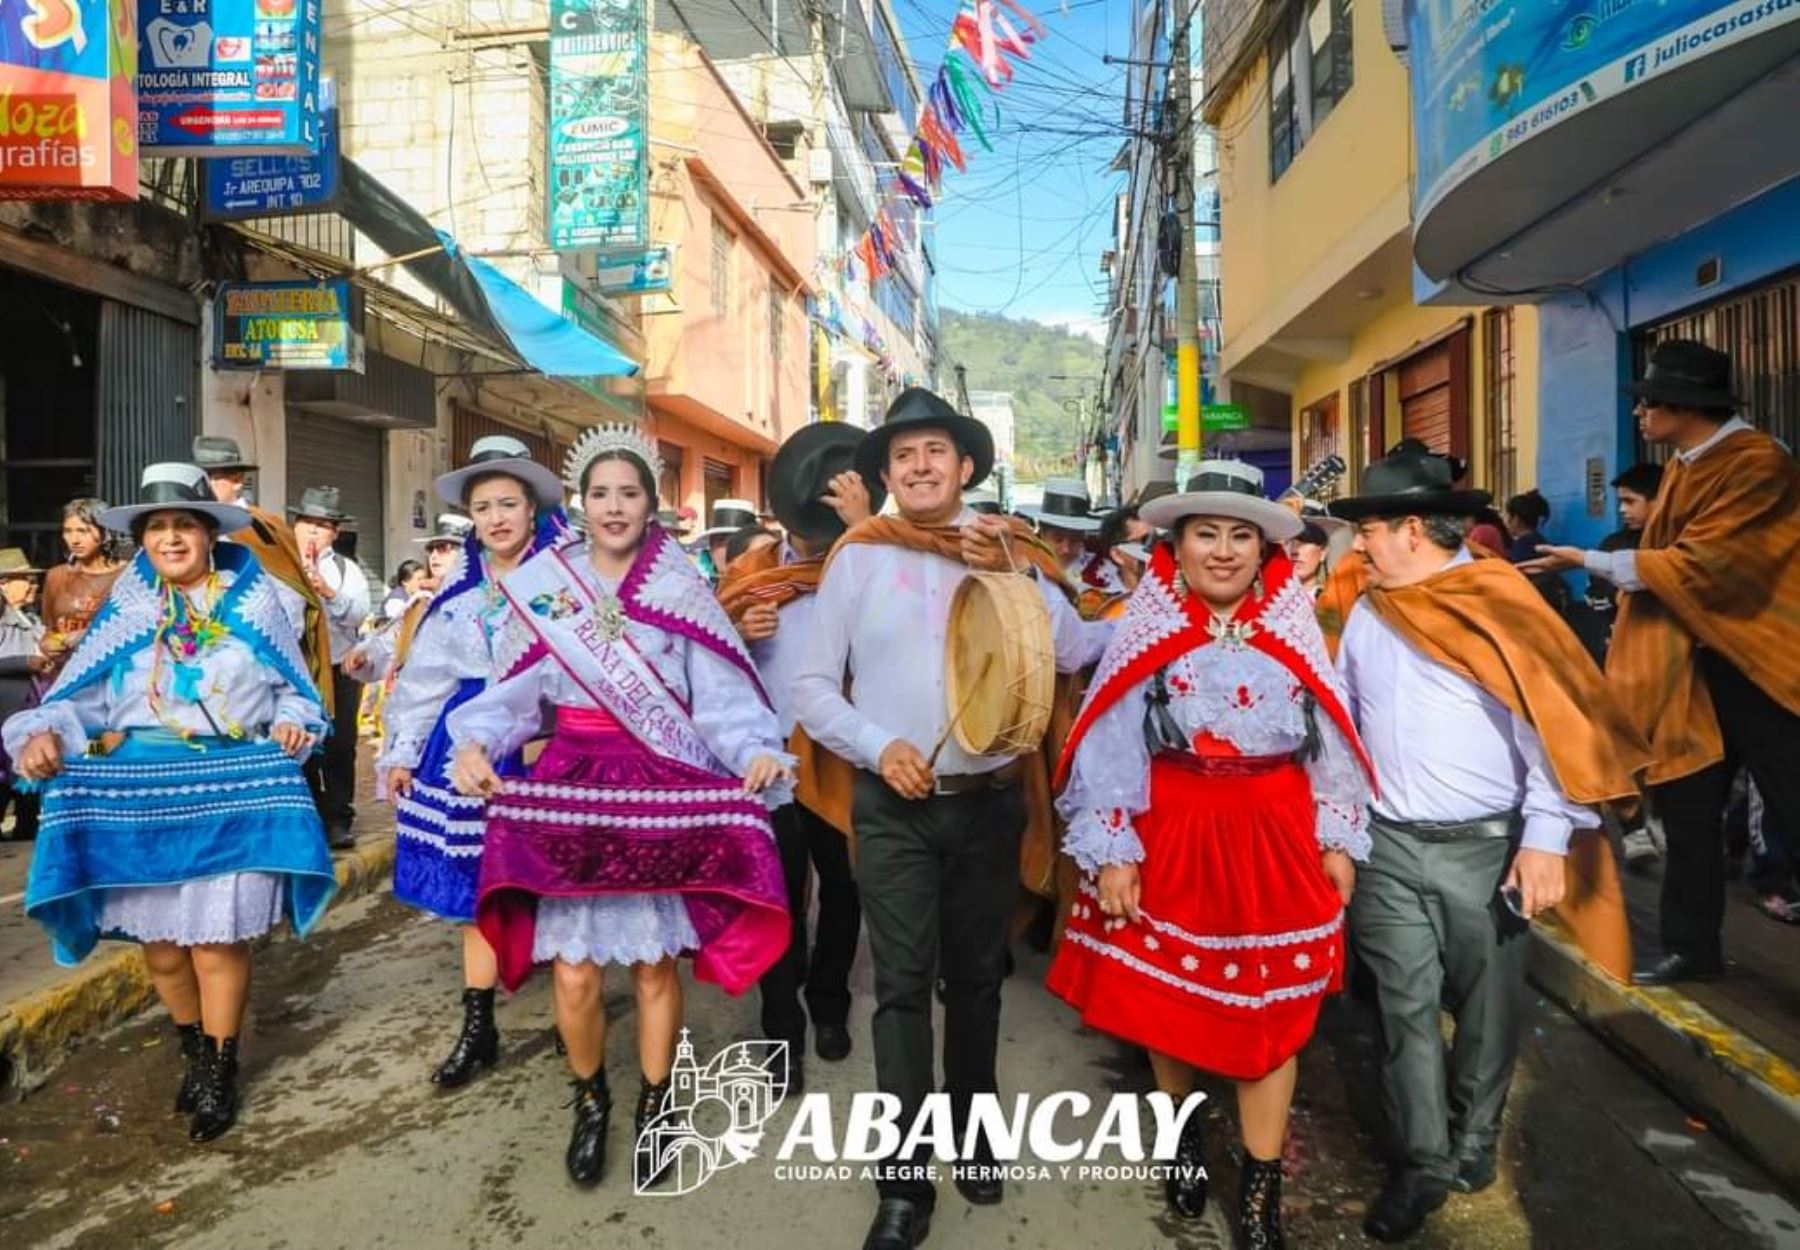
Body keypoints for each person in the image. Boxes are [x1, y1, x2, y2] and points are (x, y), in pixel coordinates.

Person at [792, 388, 1110, 1250]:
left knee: (974, 981)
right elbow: (813, 687)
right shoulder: (858, 556)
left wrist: (1017, 577)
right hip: (894, 807)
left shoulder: (1010, 553)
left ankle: (973, 1137)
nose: (920, 467)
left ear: (966, 466)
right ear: (886, 474)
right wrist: (875, 742)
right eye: (904, 456)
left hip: (990, 803)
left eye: (935, 451)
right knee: (899, 988)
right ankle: (904, 1181)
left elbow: (1080, 650)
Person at [446, 425, 791, 1188]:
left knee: (652, 968)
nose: (613, 507)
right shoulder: (545, 584)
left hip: (658, 785)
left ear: (652, 503)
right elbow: (512, 698)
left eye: (628, 493)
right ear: (579, 501)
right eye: (599, 493)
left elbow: (723, 701)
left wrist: (753, 750)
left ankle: (658, 1105)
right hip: (572, 783)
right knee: (571, 975)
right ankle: (591, 1097)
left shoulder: (680, 587)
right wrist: (474, 743)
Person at [1046, 461, 1375, 1245]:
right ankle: (1183, 1133)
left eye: (1240, 536)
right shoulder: (1146, 630)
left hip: (1276, 832)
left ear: (1263, 550)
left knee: (1276, 1013)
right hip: (1175, 827)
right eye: (1206, 534)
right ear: (1178, 546)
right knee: (1172, 1005)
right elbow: (1114, 737)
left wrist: (1336, 834)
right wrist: (1115, 846)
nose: (1223, 551)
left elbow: (1328, 734)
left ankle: (1261, 1192)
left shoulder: (1295, 627)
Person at [1330, 446, 1648, 1241]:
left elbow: (1549, 726)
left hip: (1488, 848)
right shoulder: (1369, 612)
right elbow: (1345, 723)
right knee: (1401, 1009)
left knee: (1488, 1007)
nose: (1357, 546)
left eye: (1367, 531)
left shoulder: (1499, 599)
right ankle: (1422, 1163)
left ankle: (1474, 1139)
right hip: (1388, 847)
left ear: (1410, 529)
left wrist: (1544, 839)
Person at [4, 463, 336, 1143]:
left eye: (186, 523)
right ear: (143, 540)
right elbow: (78, 703)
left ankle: (219, 1066)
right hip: (142, 789)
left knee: (216, 941)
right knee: (161, 952)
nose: (172, 537)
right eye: (158, 527)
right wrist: (42, 734)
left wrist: (296, 723)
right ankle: (190, 1043)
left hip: (236, 781)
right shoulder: (126, 610)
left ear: (210, 532)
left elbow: (297, 691)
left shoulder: (259, 602)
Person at [1523, 339, 1800, 986]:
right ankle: (1691, 950)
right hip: (1691, 663)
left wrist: (1585, 560)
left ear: (1685, 405)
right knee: (1688, 807)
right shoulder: (1684, 463)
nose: (1640, 414)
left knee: (1792, 806)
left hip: (1759, 662)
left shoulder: (1758, 463)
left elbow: (1707, 566)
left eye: (1648, 402)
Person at [374, 436, 567, 1090]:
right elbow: (425, 679)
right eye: (483, 507)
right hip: (461, 748)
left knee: (555, 886)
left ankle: (578, 1015)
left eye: (508, 503)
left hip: (544, 745)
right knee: (474, 894)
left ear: (533, 508)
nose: (496, 518)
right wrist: (402, 750)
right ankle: (479, 1026)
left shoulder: (567, 581)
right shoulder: (457, 596)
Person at [719, 422, 881, 1094]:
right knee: (777, 899)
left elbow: (906, 646)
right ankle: (780, 1025)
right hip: (766, 761)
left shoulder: (873, 563)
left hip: (843, 756)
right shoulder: (751, 574)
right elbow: (701, 664)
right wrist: (736, 632)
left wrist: (865, 534)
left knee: (843, 890)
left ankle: (830, 1003)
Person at [193, 436, 336, 717]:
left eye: (212, 477)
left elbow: (290, 604)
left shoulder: (263, 528)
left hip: (254, 670)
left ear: (237, 480)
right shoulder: (188, 525)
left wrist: (258, 659)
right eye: (200, 477)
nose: (202, 486)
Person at [289, 486, 371, 850]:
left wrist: (328, 592)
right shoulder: (280, 563)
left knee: (340, 745)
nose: (312, 532)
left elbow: (358, 615)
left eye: (321, 526)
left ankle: (338, 817)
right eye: (307, 523)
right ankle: (307, 815)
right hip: (297, 672)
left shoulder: (346, 570)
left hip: (339, 670)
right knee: (301, 743)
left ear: (334, 533)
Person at [38, 498, 125, 685]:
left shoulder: (127, 575)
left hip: (112, 674)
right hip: (66, 676)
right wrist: (47, 643)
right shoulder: (56, 576)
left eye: (83, 531)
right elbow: (50, 629)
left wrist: (88, 634)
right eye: (68, 531)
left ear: (105, 532)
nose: (74, 540)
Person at [0, 549, 48, 842]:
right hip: (4, 715)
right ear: (3, 583)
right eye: (25, 579)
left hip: (29, 713)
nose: (33, 584)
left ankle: (26, 825)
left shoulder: (29, 616)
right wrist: (25, 662)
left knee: (28, 779)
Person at [693, 498, 760, 587]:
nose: (732, 550)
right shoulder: (699, 591)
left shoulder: (769, 590)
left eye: (740, 542)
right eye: (723, 541)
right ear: (712, 546)